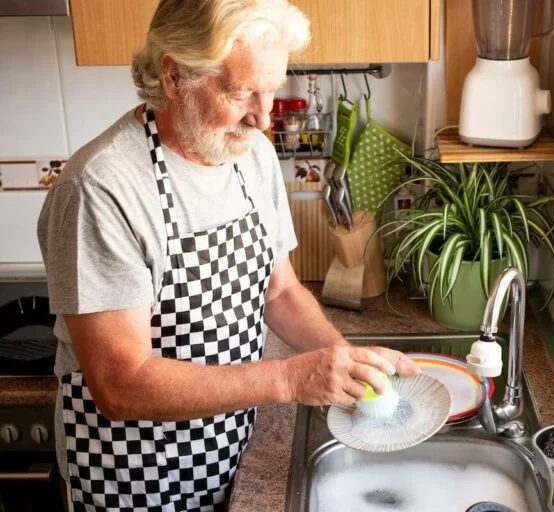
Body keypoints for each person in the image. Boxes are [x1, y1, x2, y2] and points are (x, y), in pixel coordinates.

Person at [36, 1, 419, 510]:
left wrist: (342, 359)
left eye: (272, 90)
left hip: (228, 454)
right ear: (174, 76)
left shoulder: (249, 153)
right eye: (242, 94)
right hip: (133, 481)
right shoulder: (100, 189)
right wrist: (290, 377)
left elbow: (279, 290)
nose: (263, 117)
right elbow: (121, 385)